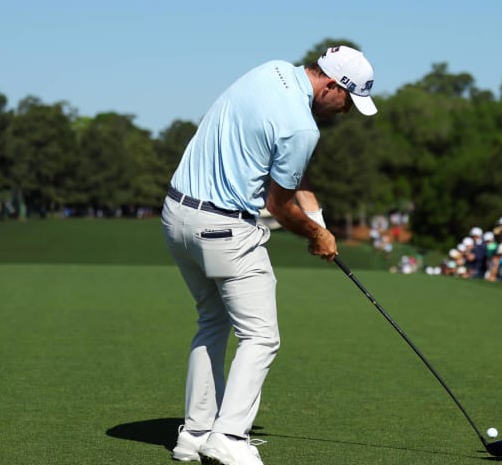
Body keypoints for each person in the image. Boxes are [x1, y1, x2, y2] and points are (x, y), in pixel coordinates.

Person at [161, 45, 377, 464]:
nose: (346, 111)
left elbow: (287, 170)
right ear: (332, 85)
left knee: (212, 321)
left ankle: (194, 435)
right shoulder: (302, 128)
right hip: (224, 229)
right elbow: (279, 206)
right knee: (261, 336)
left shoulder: (272, 70)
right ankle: (229, 436)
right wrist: (317, 234)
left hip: (176, 216)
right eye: (348, 101)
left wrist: (316, 217)